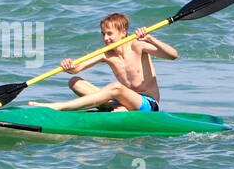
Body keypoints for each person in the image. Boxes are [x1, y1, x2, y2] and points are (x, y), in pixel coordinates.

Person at [29, 13, 177, 112]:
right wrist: (69, 66)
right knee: (75, 82)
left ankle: (59, 107)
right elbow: (77, 69)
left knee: (116, 88)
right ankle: (114, 108)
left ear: (123, 32)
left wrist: (151, 39)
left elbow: (173, 55)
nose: (105, 38)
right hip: (121, 100)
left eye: (110, 34)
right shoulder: (106, 53)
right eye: (103, 34)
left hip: (147, 103)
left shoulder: (138, 45)